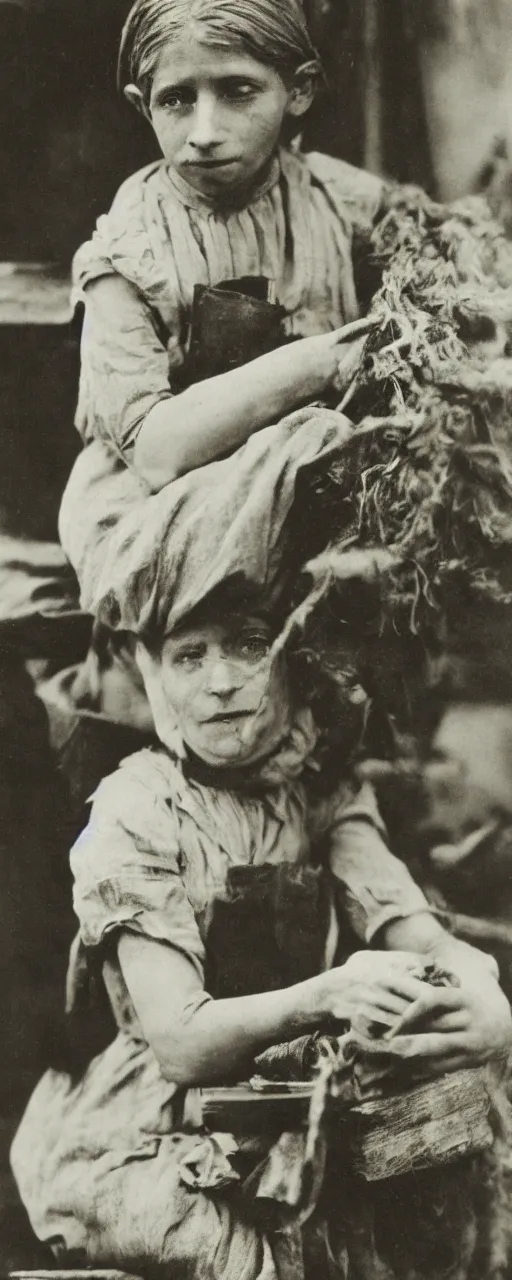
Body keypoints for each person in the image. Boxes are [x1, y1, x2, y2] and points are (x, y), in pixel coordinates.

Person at [11, 575, 512, 1280]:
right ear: (152, 671)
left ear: (296, 659)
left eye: (249, 645)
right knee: (253, 1264)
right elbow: (181, 1043)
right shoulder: (136, 812)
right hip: (150, 1133)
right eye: (190, 655)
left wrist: (483, 990)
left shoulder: (320, 795)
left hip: (288, 1110)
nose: (220, 682)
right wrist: (330, 994)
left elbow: (415, 931)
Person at [59, 0, 384, 606]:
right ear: (142, 105)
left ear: (300, 91)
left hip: (312, 486)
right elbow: (155, 453)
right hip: (164, 509)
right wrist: (321, 362)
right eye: (176, 98)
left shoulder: (338, 199)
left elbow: (446, 258)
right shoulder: (127, 252)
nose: (204, 132)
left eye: (238, 91)